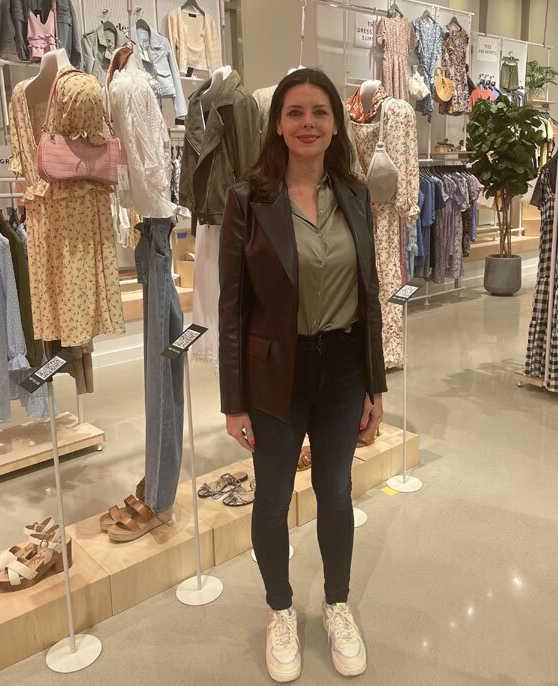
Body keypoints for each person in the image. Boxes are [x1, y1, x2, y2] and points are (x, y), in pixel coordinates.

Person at [218, 68, 388, 682]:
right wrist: (233, 400)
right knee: (271, 498)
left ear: (335, 122)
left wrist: (374, 383)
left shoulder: (355, 194)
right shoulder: (248, 198)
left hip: (342, 367)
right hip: (274, 373)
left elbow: (370, 293)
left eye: (320, 111)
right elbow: (232, 306)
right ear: (278, 123)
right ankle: (279, 609)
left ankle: (336, 604)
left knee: (336, 492)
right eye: (295, 112)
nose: (308, 123)